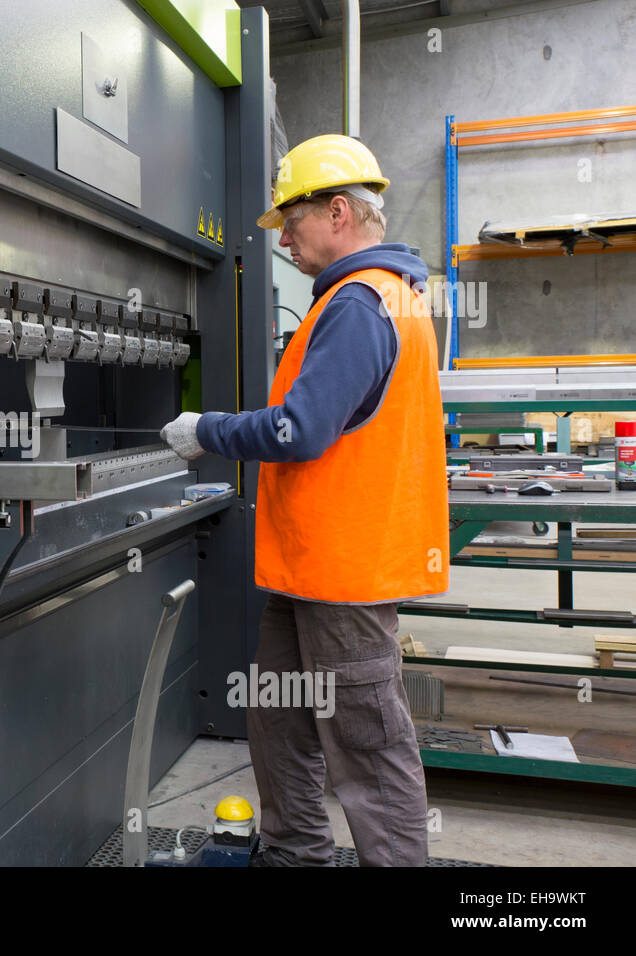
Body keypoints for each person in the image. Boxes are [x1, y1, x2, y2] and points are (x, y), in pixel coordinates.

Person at [160, 134, 449, 867]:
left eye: (292, 221)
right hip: (312, 569)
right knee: (280, 715)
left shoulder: (360, 304)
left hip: (345, 575)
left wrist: (207, 430)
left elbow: (302, 429)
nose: (283, 238)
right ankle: (294, 852)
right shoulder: (377, 295)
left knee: (367, 744)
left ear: (341, 212)